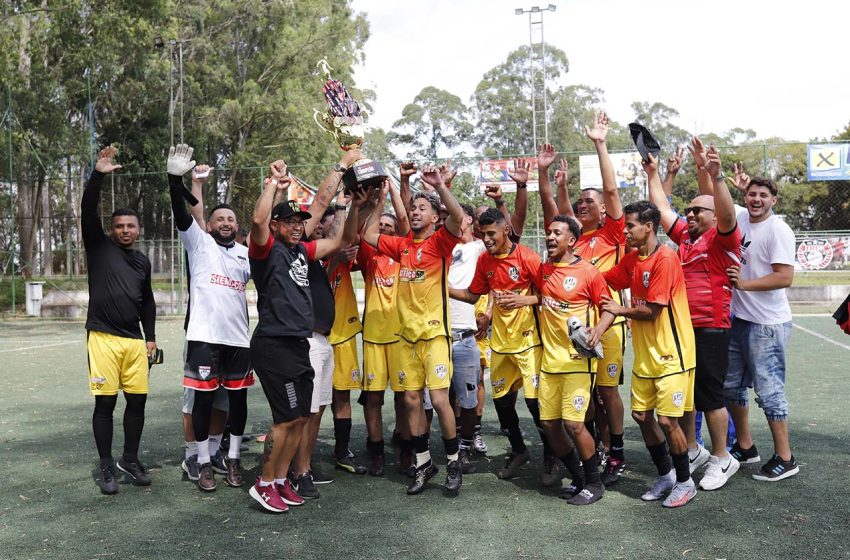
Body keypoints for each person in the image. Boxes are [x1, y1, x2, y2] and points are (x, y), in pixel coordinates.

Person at [247, 156, 359, 513]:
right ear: (277, 225)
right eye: (290, 222)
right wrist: (272, 184)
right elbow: (257, 220)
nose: (297, 227)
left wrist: (350, 203)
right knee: (284, 420)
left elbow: (340, 238)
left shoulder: (302, 252)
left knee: (299, 418)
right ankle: (264, 483)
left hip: (298, 344)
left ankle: (280, 480)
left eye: (301, 222)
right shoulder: (266, 251)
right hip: (273, 345)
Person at [361, 164, 466, 495]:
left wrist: (441, 187)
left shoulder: (440, 243)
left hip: (434, 336)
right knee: (410, 401)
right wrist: (379, 201)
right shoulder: (402, 245)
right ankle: (423, 464)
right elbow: (367, 236)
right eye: (414, 208)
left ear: (435, 216)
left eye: (423, 208)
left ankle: (452, 461)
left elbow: (459, 217)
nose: (416, 212)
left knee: (438, 399)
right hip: (405, 338)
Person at [501, 215, 617, 505]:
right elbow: (543, 297)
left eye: (557, 233)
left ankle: (594, 482)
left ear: (572, 240)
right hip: (550, 364)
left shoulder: (588, 272)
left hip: (578, 361)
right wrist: (522, 300)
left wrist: (597, 331)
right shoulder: (544, 270)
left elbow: (609, 308)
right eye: (549, 232)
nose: (550, 237)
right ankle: (578, 478)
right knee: (550, 425)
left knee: (574, 425)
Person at [647, 139, 742, 491]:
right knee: (687, 395)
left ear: (714, 216)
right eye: (688, 210)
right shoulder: (686, 238)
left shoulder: (722, 237)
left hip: (712, 329)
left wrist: (715, 178)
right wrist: (654, 173)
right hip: (684, 330)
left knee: (710, 396)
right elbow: (659, 206)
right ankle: (692, 449)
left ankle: (722, 457)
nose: (690, 214)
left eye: (698, 210)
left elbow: (729, 214)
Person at [452, 209, 570, 489]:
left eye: (491, 233)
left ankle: (552, 457)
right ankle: (519, 450)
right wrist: (441, 286)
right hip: (501, 345)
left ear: (505, 231)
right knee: (503, 404)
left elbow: (550, 295)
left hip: (529, 343)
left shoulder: (527, 257)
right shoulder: (485, 261)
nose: (487, 239)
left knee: (535, 405)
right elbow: (472, 295)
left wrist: (523, 300)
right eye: (483, 234)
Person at [542, 113, 630, 487]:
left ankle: (616, 452)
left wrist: (599, 143)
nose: (583, 205)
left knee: (607, 390)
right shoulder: (572, 242)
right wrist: (551, 179)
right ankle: (589, 448)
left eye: (588, 202)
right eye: (579, 203)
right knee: (584, 393)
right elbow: (557, 209)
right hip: (571, 331)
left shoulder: (611, 234)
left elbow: (611, 192)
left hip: (606, 326)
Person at [166, 144, 253, 492]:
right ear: (211, 225)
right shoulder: (199, 244)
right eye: (220, 219)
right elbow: (183, 214)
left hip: (238, 341)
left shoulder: (247, 255)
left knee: (237, 403)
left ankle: (231, 459)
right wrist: (176, 180)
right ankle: (202, 462)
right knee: (202, 402)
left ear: (237, 226)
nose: (226, 223)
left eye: (231, 219)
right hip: (203, 338)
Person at [602, 200, 698, 508]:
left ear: (649, 227)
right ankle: (667, 475)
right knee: (641, 416)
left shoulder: (666, 258)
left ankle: (685, 483)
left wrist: (619, 309)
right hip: (645, 357)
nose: (626, 231)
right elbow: (606, 280)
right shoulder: (632, 260)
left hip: (672, 354)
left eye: (630, 225)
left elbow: (653, 310)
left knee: (669, 421)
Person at [82, 146, 157, 495]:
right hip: (102, 338)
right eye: (119, 226)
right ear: (111, 229)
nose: (125, 230)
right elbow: (86, 209)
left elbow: (148, 302)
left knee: (138, 401)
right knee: (106, 404)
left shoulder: (142, 262)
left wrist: (151, 337)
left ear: (138, 229)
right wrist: (98, 174)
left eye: (130, 226)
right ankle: (106, 465)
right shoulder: (98, 247)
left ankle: (130, 458)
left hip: (133, 341)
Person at [724, 176, 799, 482]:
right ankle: (745, 446)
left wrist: (744, 284)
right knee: (731, 386)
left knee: (769, 393)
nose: (756, 199)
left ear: (773, 200)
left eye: (763, 195)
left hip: (767, 325)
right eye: (752, 194)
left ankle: (785, 457)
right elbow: (715, 198)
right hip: (739, 320)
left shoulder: (778, 230)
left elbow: (784, 277)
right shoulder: (741, 217)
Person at [359, 176, 412, 477]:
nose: (385, 231)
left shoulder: (405, 252)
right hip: (374, 338)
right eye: (382, 228)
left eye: (390, 228)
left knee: (404, 397)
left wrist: (393, 189)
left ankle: (406, 449)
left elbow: (404, 222)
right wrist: (377, 204)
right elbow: (367, 231)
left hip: (402, 337)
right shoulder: (370, 256)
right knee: (374, 398)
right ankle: (376, 450)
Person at [446, 203, 488, 474]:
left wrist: (491, 312)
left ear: (469, 220)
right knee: (438, 399)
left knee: (469, 398)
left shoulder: (481, 247)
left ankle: (464, 447)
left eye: (452, 216)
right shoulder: (439, 245)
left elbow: (493, 280)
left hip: (465, 334)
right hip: (436, 335)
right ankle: (444, 449)